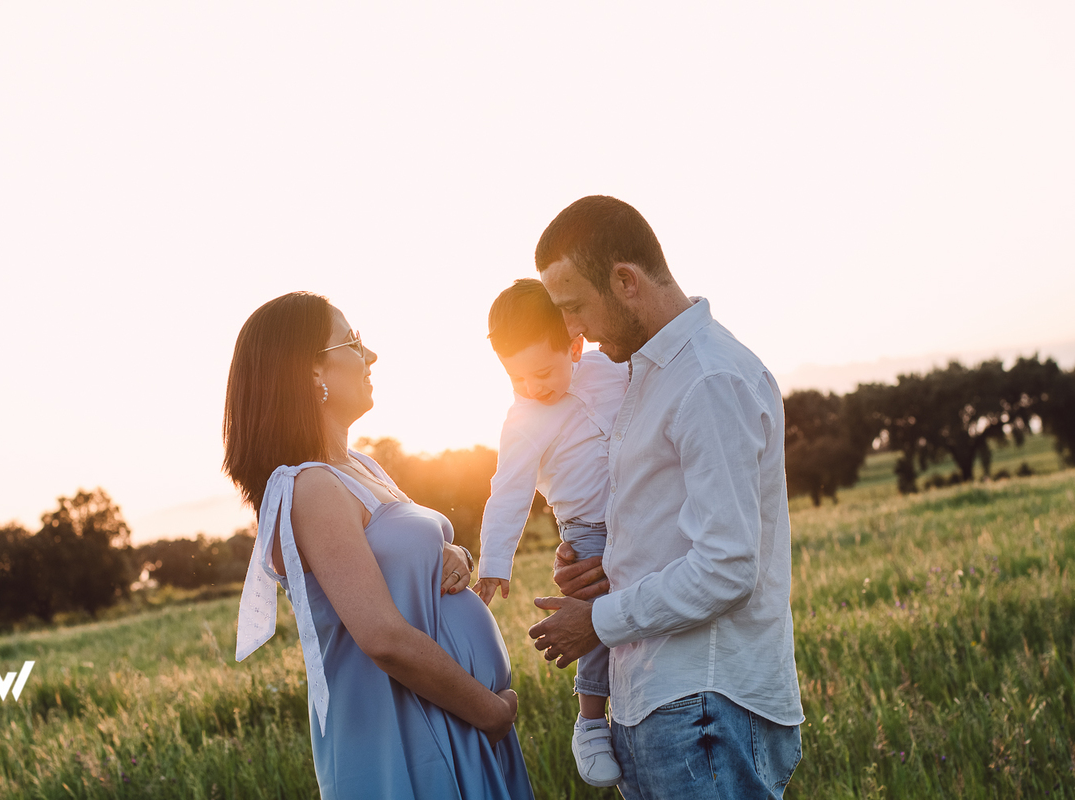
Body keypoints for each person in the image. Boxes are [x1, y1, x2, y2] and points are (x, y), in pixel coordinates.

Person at [525, 196, 804, 799]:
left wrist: (597, 620)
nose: (572, 330)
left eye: (575, 306)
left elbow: (727, 568)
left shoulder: (708, 379)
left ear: (625, 281)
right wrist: (606, 570)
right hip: (659, 698)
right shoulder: (648, 375)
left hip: (704, 703)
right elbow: (671, 535)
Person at [225, 291, 534, 800]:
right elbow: (382, 637)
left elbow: (409, 553)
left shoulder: (362, 467)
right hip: (408, 735)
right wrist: (489, 711)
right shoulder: (310, 488)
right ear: (311, 372)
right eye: (353, 341)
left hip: (451, 720)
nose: (370, 356)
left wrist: (454, 556)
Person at [473, 278, 629, 788]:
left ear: (574, 343)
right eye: (517, 379)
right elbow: (508, 492)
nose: (533, 389)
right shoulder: (523, 421)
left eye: (541, 372)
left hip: (642, 513)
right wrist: (495, 561)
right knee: (592, 615)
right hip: (587, 531)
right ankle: (590, 721)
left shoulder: (611, 369)